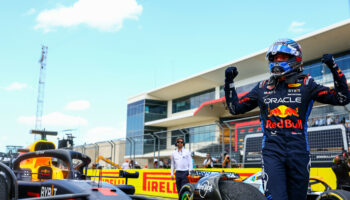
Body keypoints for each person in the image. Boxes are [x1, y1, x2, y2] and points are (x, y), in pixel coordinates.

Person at [224, 38, 350, 200]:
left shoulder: (307, 83)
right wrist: (229, 82)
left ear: (294, 58)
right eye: (274, 58)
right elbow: (235, 108)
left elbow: (342, 98)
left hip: (299, 153)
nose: (277, 61)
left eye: (282, 57)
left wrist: (334, 68)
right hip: (272, 153)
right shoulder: (262, 87)